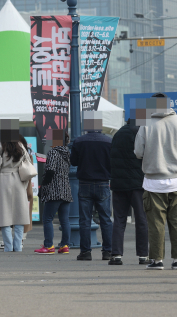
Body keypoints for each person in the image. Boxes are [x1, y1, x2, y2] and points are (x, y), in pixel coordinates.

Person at [134, 93, 177, 270]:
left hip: (153, 182)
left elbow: (138, 152)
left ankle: (157, 260)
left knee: (155, 224)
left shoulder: (145, 124)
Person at [70, 111, 113, 261]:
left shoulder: (79, 141)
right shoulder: (108, 141)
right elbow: (111, 163)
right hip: (103, 183)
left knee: (85, 220)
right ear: (100, 124)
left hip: (85, 183)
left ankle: (86, 252)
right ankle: (108, 251)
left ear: (86, 125)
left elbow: (73, 162)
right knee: (106, 219)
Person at [109, 118, 149, 266]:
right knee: (141, 219)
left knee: (119, 219)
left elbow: (111, 158)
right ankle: (143, 255)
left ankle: (117, 254)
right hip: (138, 184)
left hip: (119, 184)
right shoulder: (141, 132)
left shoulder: (118, 134)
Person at [0, 134, 33, 253]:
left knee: (4, 216)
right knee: (19, 216)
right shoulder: (20, 146)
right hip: (18, 180)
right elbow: (27, 162)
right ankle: (18, 246)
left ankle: (8, 247)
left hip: (3, 180)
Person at [35, 130, 72, 255]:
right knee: (65, 220)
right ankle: (65, 245)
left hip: (54, 190)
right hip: (66, 190)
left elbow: (50, 171)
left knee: (47, 218)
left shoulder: (53, 152)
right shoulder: (67, 153)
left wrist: (44, 186)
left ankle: (48, 245)